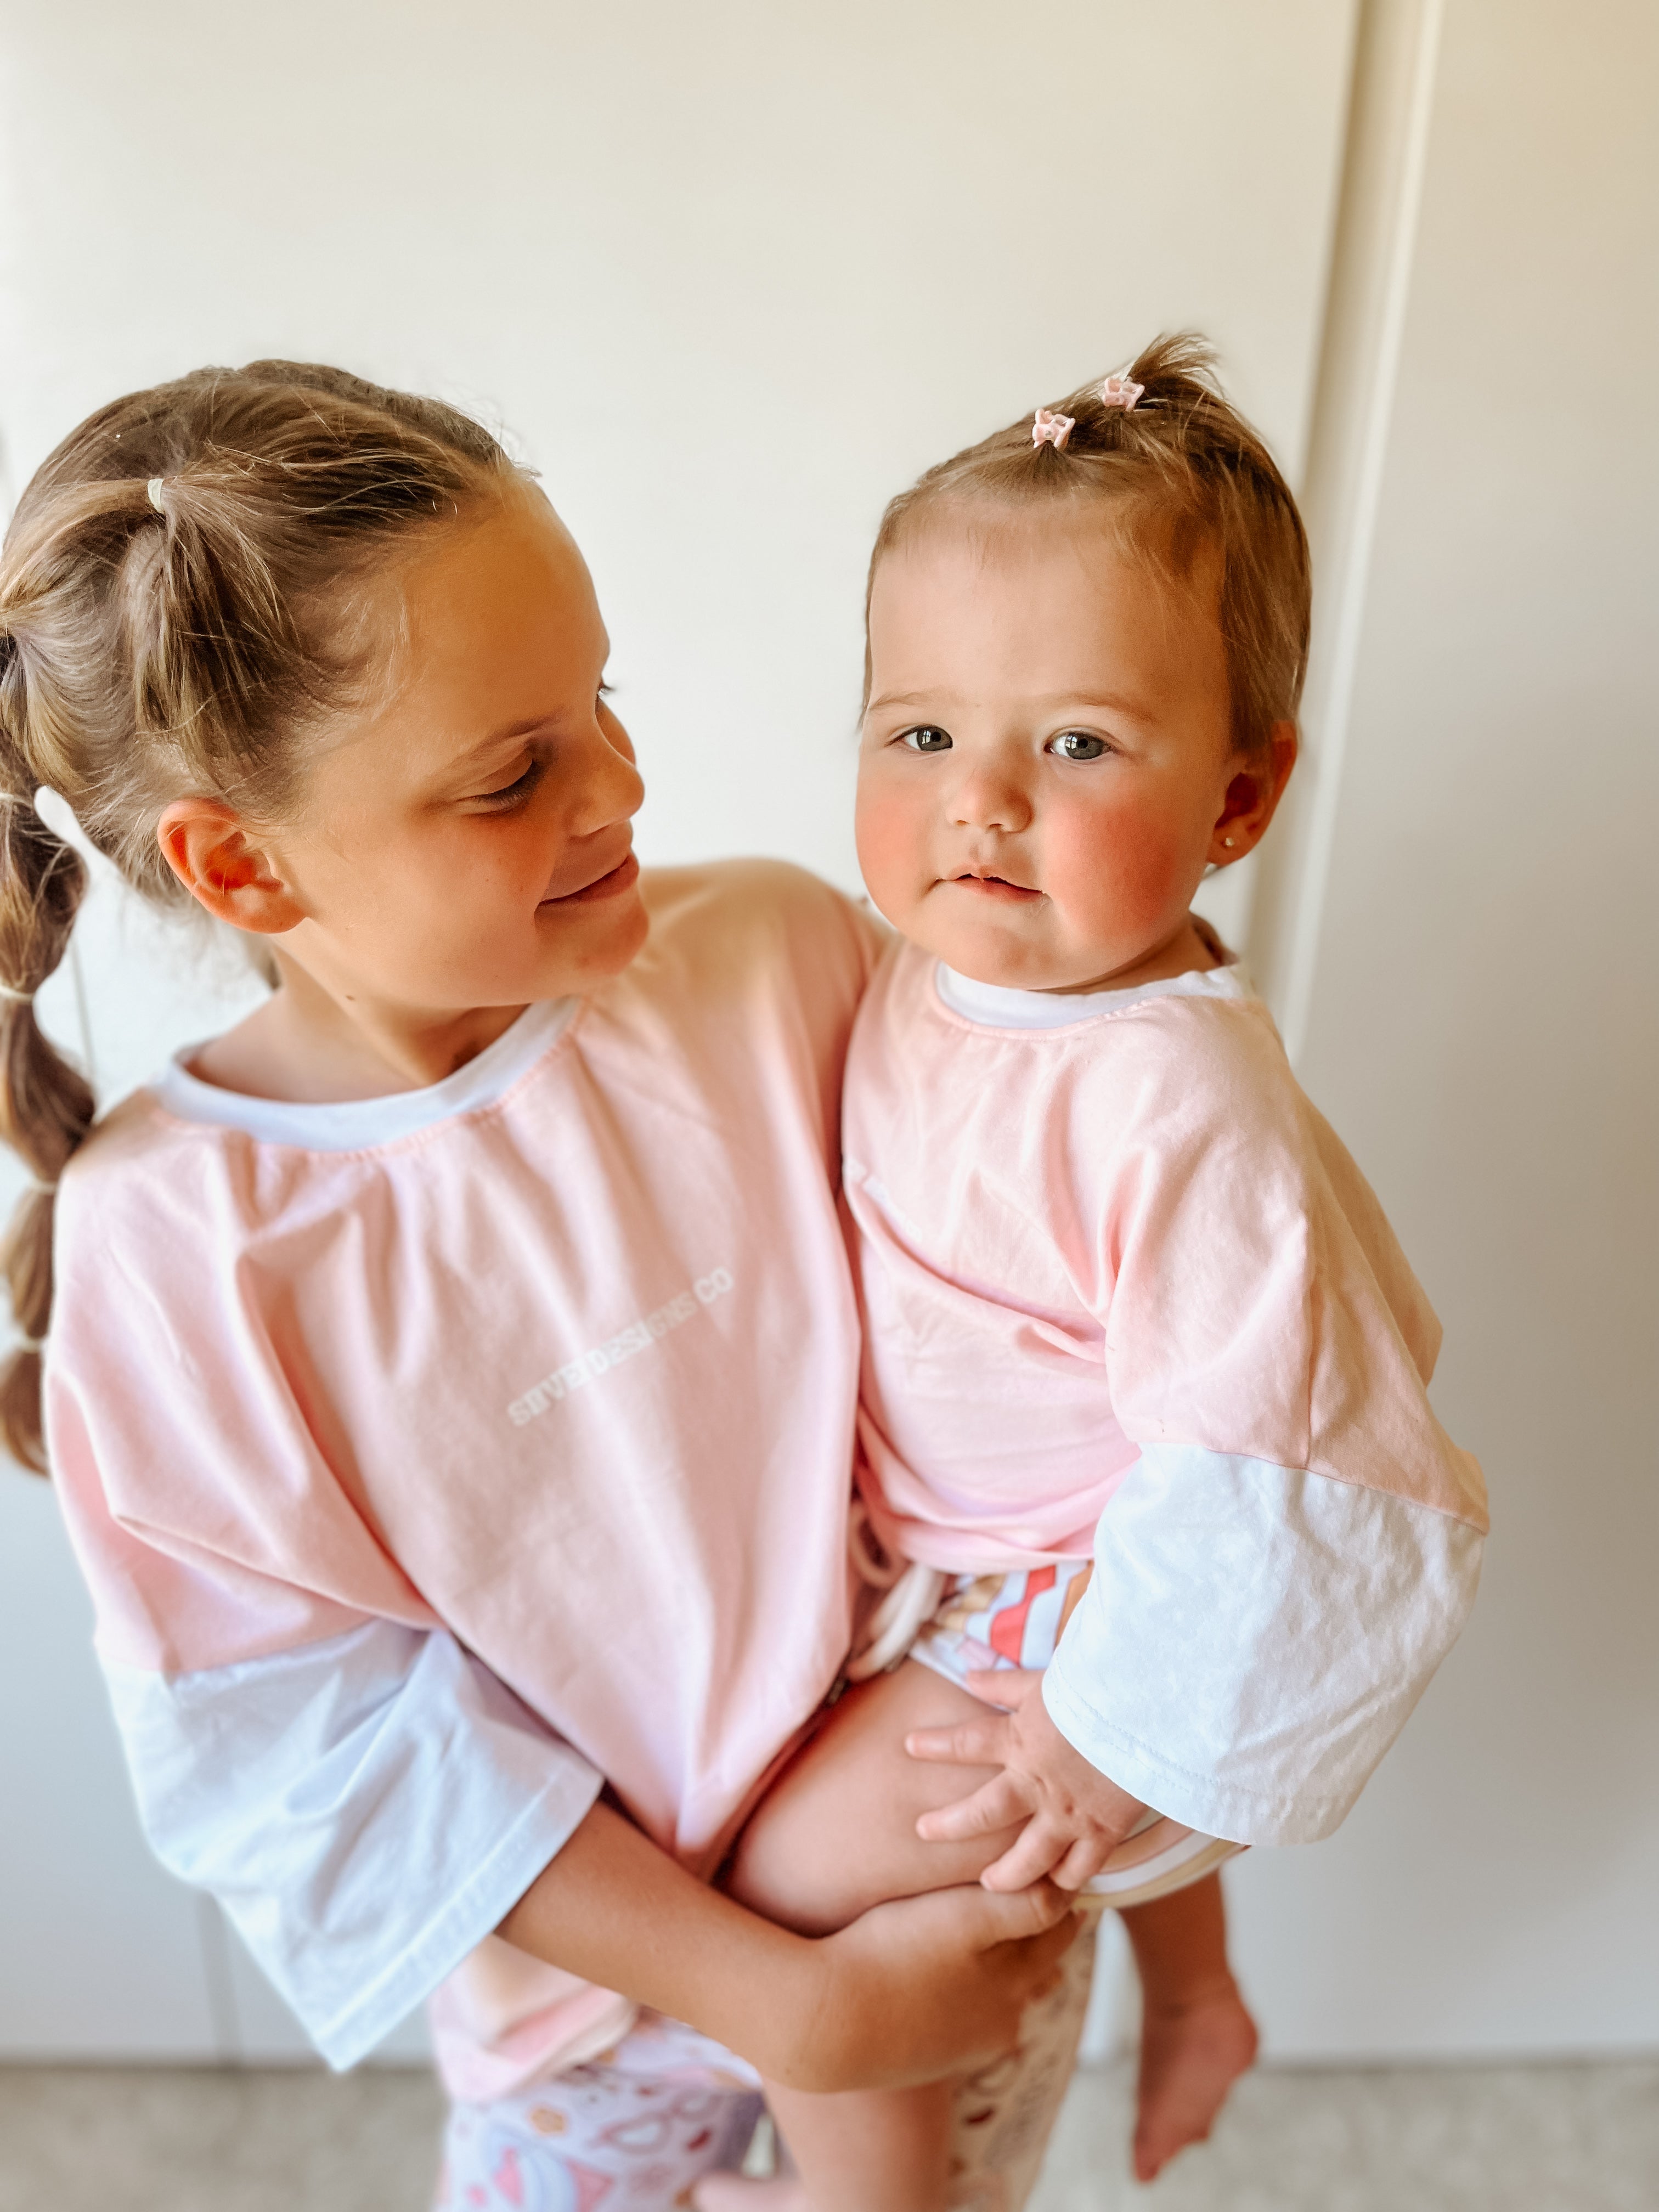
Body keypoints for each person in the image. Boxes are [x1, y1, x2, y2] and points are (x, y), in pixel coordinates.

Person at [0, 363, 1080, 2209]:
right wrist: (786, 2008)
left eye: (602, 705)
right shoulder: (177, 1251)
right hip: (594, 2024)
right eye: (514, 773)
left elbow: (1041, 1372)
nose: (624, 786)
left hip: (929, 1885)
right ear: (240, 864)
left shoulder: (778, 965)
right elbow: (327, 1747)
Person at [703, 336, 1489, 2204]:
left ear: (1238, 797)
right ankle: (1198, 1994)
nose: (979, 800)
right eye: (919, 734)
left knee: (782, 1872)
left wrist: (1097, 1732)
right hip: (946, 1516)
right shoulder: (943, 961)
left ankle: (876, 2194)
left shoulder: (1174, 1099)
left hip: (1065, 1593)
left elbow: (1276, 1460)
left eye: (1072, 744)